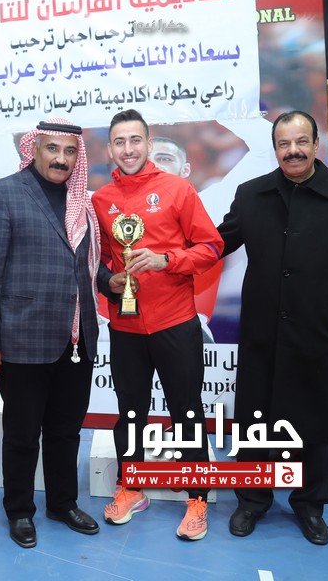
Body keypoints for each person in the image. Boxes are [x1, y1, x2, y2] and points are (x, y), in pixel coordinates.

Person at [217, 110, 328, 545]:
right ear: (275, 149)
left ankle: (310, 504)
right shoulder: (251, 194)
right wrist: (167, 250)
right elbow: (215, 242)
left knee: (313, 424)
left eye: (301, 141)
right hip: (261, 335)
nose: (293, 151)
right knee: (254, 421)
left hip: (319, 336)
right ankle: (252, 500)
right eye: (284, 144)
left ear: (316, 144)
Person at [91, 109, 223, 541]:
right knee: (130, 412)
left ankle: (197, 497)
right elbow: (99, 262)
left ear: (148, 144)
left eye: (135, 140)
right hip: (125, 325)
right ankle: (131, 487)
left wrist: (167, 260)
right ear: (110, 149)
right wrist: (109, 282)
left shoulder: (178, 189)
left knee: (187, 412)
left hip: (175, 321)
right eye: (119, 142)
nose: (128, 149)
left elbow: (211, 247)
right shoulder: (100, 199)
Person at [0, 119, 101, 548]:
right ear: (35, 149)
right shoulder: (4, 193)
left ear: (77, 156)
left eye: (69, 151)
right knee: (22, 434)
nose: (61, 159)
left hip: (77, 339)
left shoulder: (83, 202)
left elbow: (86, 266)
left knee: (66, 430)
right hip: (23, 338)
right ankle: (20, 511)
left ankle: (63, 503)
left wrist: (112, 282)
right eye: (52, 149)